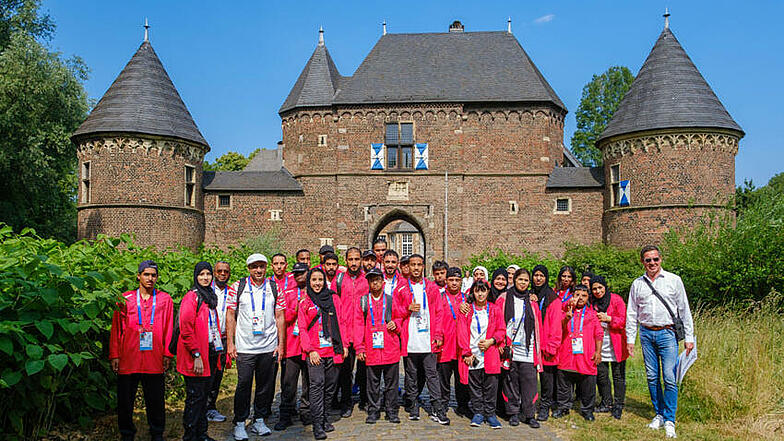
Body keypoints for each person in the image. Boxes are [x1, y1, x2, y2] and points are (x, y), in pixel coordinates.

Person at [626, 245, 695, 439]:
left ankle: (670, 419)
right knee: (652, 376)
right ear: (643, 262)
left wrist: (689, 337)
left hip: (668, 333)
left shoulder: (674, 280)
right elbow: (632, 313)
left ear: (660, 259)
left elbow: (684, 309)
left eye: (655, 259)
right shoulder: (637, 284)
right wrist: (630, 339)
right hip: (647, 333)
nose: (652, 263)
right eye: (648, 260)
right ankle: (659, 413)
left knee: (670, 378)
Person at [109, 260, 174, 441]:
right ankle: (127, 433)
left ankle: (157, 432)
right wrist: (114, 354)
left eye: (153, 275)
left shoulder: (165, 299)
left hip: (154, 358)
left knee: (155, 398)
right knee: (125, 400)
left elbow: (169, 327)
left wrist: (167, 353)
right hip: (129, 357)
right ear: (138, 276)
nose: (150, 278)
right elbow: (117, 328)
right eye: (146, 274)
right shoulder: (125, 299)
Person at [226, 254, 286, 440]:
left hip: (268, 346)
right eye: (254, 267)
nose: (258, 270)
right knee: (243, 385)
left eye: (261, 266)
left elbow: (280, 317)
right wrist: (230, 343)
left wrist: (281, 344)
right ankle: (240, 422)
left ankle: (259, 419)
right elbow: (230, 315)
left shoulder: (274, 288)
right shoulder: (238, 287)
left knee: (265, 386)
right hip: (245, 347)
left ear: (266, 267)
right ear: (248, 269)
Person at [393, 254, 450, 425]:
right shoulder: (401, 288)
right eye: (413, 265)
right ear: (408, 267)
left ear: (423, 267)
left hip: (428, 340)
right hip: (410, 340)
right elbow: (395, 312)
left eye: (419, 265)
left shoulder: (431, 287)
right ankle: (413, 405)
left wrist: (438, 335)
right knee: (411, 375)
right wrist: (407, 308)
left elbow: (439, 313)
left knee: (432, 375)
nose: (416, 268)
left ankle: (438, 408)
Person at [298, 268, 349, 440]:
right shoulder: (305, 302)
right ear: (309, 282)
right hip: (315, 353)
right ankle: (317, 424)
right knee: (317, 386)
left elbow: (341, 322)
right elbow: (303, 328)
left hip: (333, 350)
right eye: (314, 280)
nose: (317, 283)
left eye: (320, 279)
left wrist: (345, 345)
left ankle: (326, 416)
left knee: (330, 388)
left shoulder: (334, 298)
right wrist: (310, 349)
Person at [178, 262, 222, 441]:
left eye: (208, 274)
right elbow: (186, 329)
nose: (205, 277)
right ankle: (190, 436)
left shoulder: (210, 297)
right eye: (201, 274)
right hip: (195, 357)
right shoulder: (192, 297)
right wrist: (196, 354)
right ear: (196, 276)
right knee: (195, 398)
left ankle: (202, 433)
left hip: (210, 354)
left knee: (204, 398)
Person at [354, 268, 402, 424]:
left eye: (377, 280)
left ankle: (391, 411)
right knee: (372, 384)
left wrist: (396, 324)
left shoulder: (390, 300)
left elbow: (400, 317)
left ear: (383, 282)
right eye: (372, 280)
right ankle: (373, 411)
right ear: (368, 283)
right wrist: (359, 347)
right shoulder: (363, 301)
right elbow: (358, 325)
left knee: (391, 385)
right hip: (372, 349)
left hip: (390, 348)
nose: (375, 283)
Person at [496, 268, 542, 428]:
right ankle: (513, 413)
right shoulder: (504, 298)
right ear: (514, 280)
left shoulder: (532, 301)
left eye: (526, 280)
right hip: (510, 347)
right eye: (520, 279)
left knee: (529, 382)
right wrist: (501, 343)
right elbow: (498, 321)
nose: (523, 283)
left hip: (528, 347)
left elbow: (537, 326)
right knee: (511, 381)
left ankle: (529, 414)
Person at [457, 280, 505, 429]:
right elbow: (462, 332)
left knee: (491, 385)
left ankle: (490, 414)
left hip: (489, 353)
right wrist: (466, 353)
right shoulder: (467, 310)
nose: (480, 294)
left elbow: (501, 329)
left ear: (488, 292)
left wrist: (491, 341)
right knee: (475, 386)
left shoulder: (495, 309)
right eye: (477, 291)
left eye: (483, 291)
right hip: (473, 355)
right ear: (473, 293)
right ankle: (478, 412)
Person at [553, 285, 602, 421]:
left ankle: (587, 410)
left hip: (585, 354)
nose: (580, 298)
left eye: (584, 295)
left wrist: (598, 351)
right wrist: (567, 318)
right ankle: (563, 408)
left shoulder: (592, 314)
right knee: (564, 382)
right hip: (567, 353)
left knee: (588, 383)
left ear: (588, 298)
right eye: (577, 295)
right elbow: (558, 330)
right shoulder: (564, 311)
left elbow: (598, 333)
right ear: (572, 296)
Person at [334, 247, 369, 417]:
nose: (354, 263)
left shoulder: (367, 280)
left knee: (364, 370)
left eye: (357, 259)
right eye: (351, 259)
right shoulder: (340, 279)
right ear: (346, 261)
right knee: (345, 371)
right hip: (345, 331)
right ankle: (346, 402)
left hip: (363, 332)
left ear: (361, 260)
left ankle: (364, 400)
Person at [276, 262, 311, 430]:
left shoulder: (314, 291)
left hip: (309, 345)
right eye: (296, 274)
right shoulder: (288, 292)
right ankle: (286, 413)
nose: (299, 276)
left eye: (302, 273)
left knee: (309, 382)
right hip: (292, 344)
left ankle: (306, 412)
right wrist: (296, 307)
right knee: (288, 382)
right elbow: (283, 317)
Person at [590, 275, 628, 420]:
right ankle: (606, 402)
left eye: (600, 288)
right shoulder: (592, 302)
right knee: (602, 375)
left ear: (605, 287)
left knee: (618, 376)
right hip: (599, 344)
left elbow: (624, 320)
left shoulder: (616, 299)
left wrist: (609, 319)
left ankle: (618, 405)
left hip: (616, 343)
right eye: (594, 289)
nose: (598, 291)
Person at [437, 267, 471, 419]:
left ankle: (463, 405)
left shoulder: (468, 299)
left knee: (461, 378)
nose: (454, 283)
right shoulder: (441, 297)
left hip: (461, 346)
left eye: (457, 280)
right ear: (446, 281)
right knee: (443, 377)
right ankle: (443, 404)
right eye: (451, 280)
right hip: (445, 344)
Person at [530, 264, 562, 422]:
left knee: (547, 379)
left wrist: (552, 345)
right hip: (531, 344)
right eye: (535, 275)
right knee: (529, 377)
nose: (538, 278)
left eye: (541, 275)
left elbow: (556, 324)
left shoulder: (552, 298)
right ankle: (529, 404)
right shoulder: (529, 294)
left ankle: (545, 406)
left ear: (546, 278)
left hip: (546, 344)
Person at [206, 261, 233, 423]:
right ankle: (201, 406)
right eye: (219, 271)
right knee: (204, 374)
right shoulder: (206, 291)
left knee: (218, 374)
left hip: (223, 338)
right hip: (207, 339)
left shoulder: (233, 292)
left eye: (226, 271)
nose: (222, 274)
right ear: (214, 273)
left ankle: (211, 407)